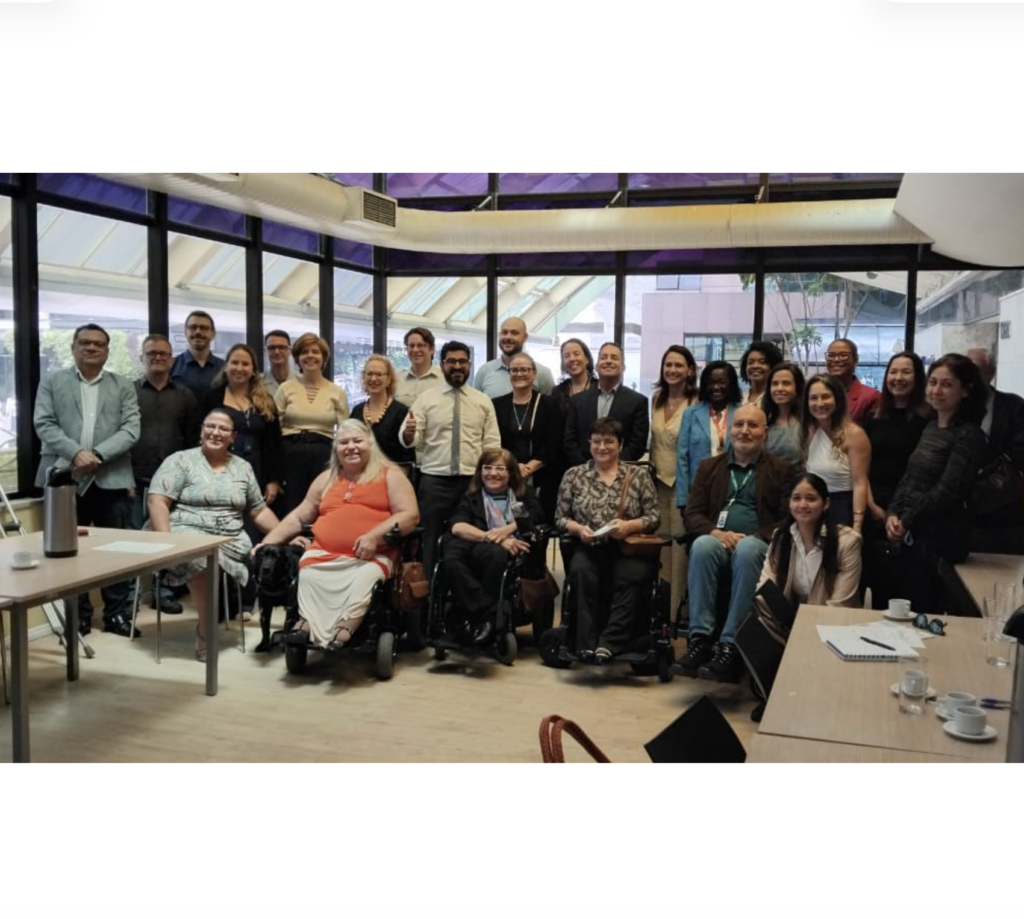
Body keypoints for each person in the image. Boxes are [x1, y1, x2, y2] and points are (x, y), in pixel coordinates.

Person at [256, 420, 419, 650]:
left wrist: (374, 536)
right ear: (336, 449)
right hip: (323, 553)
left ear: (370, 444)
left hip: (370, 555)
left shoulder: (390, 475)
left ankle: (344, 630)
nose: (351, 447)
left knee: (365, 577)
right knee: (308, 571)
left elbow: (409, 515)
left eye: (357, 441)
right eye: (344, 442)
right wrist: (265, 543)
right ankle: (305, 626)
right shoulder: (327, 478)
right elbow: (298, 517)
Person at [34, 323, 141, 638]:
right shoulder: (52, 382)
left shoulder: (123, 386)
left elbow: (131, 429)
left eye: (99, 344)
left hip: (112, 478)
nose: (92, 348)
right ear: (73, 347)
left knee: (117, 550)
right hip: (63, 478)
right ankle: (76, 616)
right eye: (85, 343)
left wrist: (96, 454)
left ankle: (117, 615)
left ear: (108, 350)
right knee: (67, 552)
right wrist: (76, 453)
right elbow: (44, 422)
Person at [147, 409, 281, 661]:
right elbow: (157, 501)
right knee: (202, 558)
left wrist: (284, 533)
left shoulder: (242, 467)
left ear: (233, 437)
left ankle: (209, 619)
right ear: (201, 431)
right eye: (210, 426)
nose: (216, 433)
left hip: (230, 537)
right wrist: (166, 541)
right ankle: (206, 631)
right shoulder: (181, 460)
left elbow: (258, 510)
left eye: (223, 429)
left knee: (214, 554)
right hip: (184, 531)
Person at [675, 405, 792, 683]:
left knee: (748, 550)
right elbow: (692, 513)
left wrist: (757, 536)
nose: (744, 431)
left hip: (758, 545)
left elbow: (789, 517)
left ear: (765, 432)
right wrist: (715, 532)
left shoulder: (781, 470)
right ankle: (700, 639)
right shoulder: (709, 467)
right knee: (702, 545)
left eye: (753, 425)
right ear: (730, 430)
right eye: (739, 425)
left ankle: (731, 645)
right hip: (717, 541)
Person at [885, 353, 988, 614]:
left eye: (947, 384)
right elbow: (909, 477)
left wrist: (906, 520)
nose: (937, 390)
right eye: (933, 382)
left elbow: (948, 491)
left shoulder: (969, 435)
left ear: (965, 391)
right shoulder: (931, 426)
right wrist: (893, 513)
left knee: (926, 614)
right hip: (912, 536)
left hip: (940, 541)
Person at [556, 418, 660, 662]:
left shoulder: (638, 475)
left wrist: (628, 526)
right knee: (581, 572)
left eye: (609, 441)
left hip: (626, 548)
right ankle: (586, 644)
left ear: (620, 445)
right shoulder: (574, 475)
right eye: (597, 441)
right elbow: (560, 518)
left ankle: (610, 642)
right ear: (589, 443)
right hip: (588, 545)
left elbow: (654, 517)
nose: (602, 447)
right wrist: (579, 529)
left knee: (632, 576)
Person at [399, 340, 500, 579]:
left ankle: (464, 596)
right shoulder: (426, 398)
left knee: (474, 539)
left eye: (462, 361)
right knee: (430, 540)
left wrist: (490, 479)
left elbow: (492, 444)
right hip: (435, 482)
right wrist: (409, 432)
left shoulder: (482, 400)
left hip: (473, 483)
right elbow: (408, 438)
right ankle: (430, 597)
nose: (457, 366)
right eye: (451, 361)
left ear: (469, 365)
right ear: (442, 365)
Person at [445, 447, 546, 645]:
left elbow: (537, 516)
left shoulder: (523, 494)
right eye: (487, 467)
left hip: (515, 548)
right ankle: (489, 612)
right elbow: (457, 526)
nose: (493, 473)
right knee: (450, 556)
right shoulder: (471, 496)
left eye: (500, 468)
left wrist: (507, 530)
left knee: (496, 555)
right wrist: (494, 537)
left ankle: (481, 614)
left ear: (510, 473)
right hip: (477, 545)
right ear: (480, 471)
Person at [132, 333, 200, 615]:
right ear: (142, 358)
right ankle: (129, 598)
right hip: (134, 477)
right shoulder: (130, 392)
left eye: (163, 353)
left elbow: (192, 438)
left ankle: (164, 591)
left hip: (174, 481)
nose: (158, 357)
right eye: (152, 353)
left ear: (172, 359)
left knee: (167, 535)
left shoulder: (184, 395)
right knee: (134, 538)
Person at [860, 351, 931, 609]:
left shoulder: (929, 421)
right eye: (893, 372)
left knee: (909, 591)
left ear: (918, 378)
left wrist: (901, 514)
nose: (898, 378)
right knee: (879, 588)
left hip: (912, 513)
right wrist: (874, 508)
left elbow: (926, 474)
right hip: (873, 509)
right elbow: (860, 472)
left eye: (906, 372)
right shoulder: (873, 419)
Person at [758, 473, 862, 608]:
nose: (802, 505)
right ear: (789, 503)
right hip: (787, 621)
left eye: (811, 499)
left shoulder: (848, 542)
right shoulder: (781, 536)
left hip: (832, 622)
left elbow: (840, 603)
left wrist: (805, 626)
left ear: (826, 504)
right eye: (796, 498)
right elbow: (766, 589)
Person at [274, 332, 350, 517]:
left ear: (323, 358)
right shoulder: (285, 388)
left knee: (321, 504)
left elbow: (345, 430)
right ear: (298, 358)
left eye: (315, 352)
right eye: (304, 352)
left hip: (323, 454)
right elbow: (273, 427)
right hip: (290, 453)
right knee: (291, 505)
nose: (310, 356)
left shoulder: (336, 391)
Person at [201, 343, 283, 511]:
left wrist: (274, 480)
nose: (239, 368)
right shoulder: (211, 398)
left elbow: (274, 444)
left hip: (257, 470)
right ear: (226, 367)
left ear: (253, 370)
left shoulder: (265, 401)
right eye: (234, 362)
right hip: (220, 469)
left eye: (245, 364)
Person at [649, 345, 699, 619]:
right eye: (668, 364)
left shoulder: (697, 402)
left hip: (684, 487)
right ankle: (660, 609)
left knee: (681, 551)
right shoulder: (656, 398)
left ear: (690, 370)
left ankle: (679, 612)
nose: (672, 370)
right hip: (657, 484)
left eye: (678, 365)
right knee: (659, 547)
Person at [491, 352, 562, 522]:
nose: (519, 374)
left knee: (536, 525)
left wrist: (529, 468)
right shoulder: (496, 405)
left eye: (524, 369)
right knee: (505, 524)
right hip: (506, 474)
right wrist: (515, 467)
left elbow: (553, 442)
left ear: (534, 373)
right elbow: (494, 440)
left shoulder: (550, 405)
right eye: (514, 370)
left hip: (542, 476)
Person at [966, 346, 1024, 552]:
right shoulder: (953, 406)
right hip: (960, 504)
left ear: (990, 373)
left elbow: (1019, 452)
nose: (969, 376)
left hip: (1001, 503)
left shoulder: (1014, 406)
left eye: (975, 369)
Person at [802, 373, 870, 532]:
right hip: (815, 509)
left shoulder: (854, 434)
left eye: (826, 397)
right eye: (813, 398)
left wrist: (857, 526)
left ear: (838, 399)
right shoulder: (810, 431)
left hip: (844, 508)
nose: (819, 403)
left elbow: (860, 483)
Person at [563, 342, 649, 467]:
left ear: (623, 367)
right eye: (603, 357)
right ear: (597, 366)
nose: (608, 361)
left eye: (614, 358)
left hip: (619, 475)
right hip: (583, 474)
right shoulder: (577, 401)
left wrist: (612, 467)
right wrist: (587, 468)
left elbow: (637, 444)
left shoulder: (637, 401)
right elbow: (569, 441)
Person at [674, 360, 743, 511]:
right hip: (699, 491)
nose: (716, 387)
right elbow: (682, 459)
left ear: (731, 384)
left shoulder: (742, 413)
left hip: (735, 491)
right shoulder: (691, 414)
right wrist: (683, 500)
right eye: (711, 382)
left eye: (722, 382)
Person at [351, 354, 415, 467]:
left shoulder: (401, 412)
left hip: (393, 478)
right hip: (360, 477)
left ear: (389, 379)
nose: (373, 378)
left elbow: (407, 456)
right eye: (369, 374)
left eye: (379, 374)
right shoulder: (356, 411)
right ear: (363, 377)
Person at [474, 316, 555, 397]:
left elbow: (551, 407)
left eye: (514, 333)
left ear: (525, 337)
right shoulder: (484, 371)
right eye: (504, 332)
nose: (508, 337)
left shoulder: (543, 373)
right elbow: (475, 406)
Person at [169, 310, 225, 401]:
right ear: (185, 333)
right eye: (192, 327)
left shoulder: (224, 368)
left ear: (213, 334)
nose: (198, 332)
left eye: (204, 328)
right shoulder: (172, 366)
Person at [824, 337, 880, 423]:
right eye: (831, 355)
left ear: (856, 360)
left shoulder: (870, 397)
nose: (836, 360)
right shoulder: (817, 393)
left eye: (843, 355)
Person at [763, 361, 805, 467]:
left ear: (798, 387)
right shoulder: (764, 420)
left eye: (786, 383)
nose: (779, 388)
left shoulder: (807, 422)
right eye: (775, 384)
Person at [394, 327, 444, 408]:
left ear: (432, 349)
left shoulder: (444, 380)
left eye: (420, 345)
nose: (415, 350)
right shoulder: (396, 381)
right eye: (411, 346)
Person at [550, 337, 598, 416]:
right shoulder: (558, 392)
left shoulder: (599, 388)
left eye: (576, 354)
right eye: (567, 356)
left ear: (587, 359)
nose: (572, 359)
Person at [739, 340, 784, 408]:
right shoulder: (740, 398)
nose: (755, 366)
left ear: (774, 366)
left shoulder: (777, 398)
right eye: (751, 362)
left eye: (762, 362)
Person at [262, 329, 299, 398]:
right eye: (272, 348)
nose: (277, 352)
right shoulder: (258, 383)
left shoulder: (302, 381)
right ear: (265, 351)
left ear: (289, 350)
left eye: (281, 347)